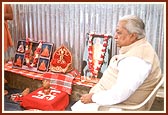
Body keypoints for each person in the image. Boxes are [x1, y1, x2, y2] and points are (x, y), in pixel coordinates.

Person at [71, 15, 162, 111]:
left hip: (119, 106)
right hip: (108, 99)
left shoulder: (136, 61)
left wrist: (93, 97)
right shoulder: (139, 47)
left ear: (133, 36)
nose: (115, 36)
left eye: (119, 33)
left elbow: (119, 94)